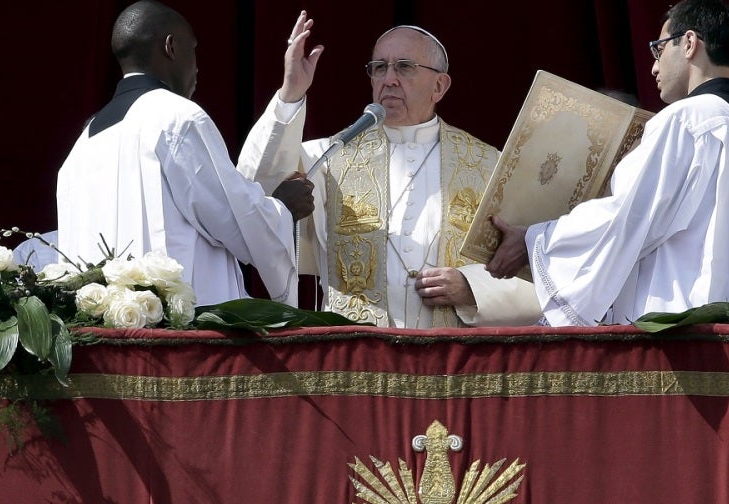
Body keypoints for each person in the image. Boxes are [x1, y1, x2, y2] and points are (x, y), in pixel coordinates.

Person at [486, 0, 729, 327]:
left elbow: (627, 216)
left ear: (689, 43)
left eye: (659, 49)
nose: (653, 67)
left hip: (685, 333)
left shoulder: (685, 121)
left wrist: (536, 240)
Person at [238, 12, 542, 328]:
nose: (389, 79)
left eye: (405, 67)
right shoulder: (329, 157)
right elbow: (255, 191)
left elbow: (538, 266)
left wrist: (473, 289)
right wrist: (291, 94)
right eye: (379, 68)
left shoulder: (489, 165)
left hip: (453, 363)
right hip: (356, 355)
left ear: (439, 86)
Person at [56, 1, 314, 307]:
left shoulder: (80, 147)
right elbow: (233, 217)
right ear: (171, 47)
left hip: (105, 337)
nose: (197, 67)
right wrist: (283, 207)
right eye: (193, 51)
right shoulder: (177, 118)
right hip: (179, 335)